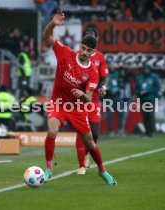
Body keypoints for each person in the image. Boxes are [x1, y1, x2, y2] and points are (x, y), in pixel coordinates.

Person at [43, 10, 117, 185]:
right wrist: (53, 23)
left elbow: (89, 99)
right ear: (80, 46)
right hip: (58, 103)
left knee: (91, 144)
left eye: (88, 50)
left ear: (93, 52)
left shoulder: (92, 72)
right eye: (83, 48)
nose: (84, 52)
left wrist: (83, 95)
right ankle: (48, 169)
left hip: (76, 109)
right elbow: (47, 36)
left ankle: (102, 171)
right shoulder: (65, 53)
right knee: (52, 131)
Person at [75, 28, 109, 175]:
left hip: (93, 99)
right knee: (81, 129)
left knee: (94, 132)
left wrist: (103, 87)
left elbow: (104, 76)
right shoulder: (76, 55)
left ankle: (88, 153)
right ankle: (81, 164)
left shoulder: (100, 57)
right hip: (78, 99)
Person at [136, 65, 160, 137]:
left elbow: (157, 87)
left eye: (147, 69)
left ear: (150, 69)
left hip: (151, 98)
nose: (146, 70)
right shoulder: (140, 77)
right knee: (144, 115)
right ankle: (147, 131)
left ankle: (152, 131)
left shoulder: (154, 77)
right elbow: (137, 88)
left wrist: (148, 92)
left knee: (150, 115)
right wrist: (139, 93)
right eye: (144, 69)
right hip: (142, 98)